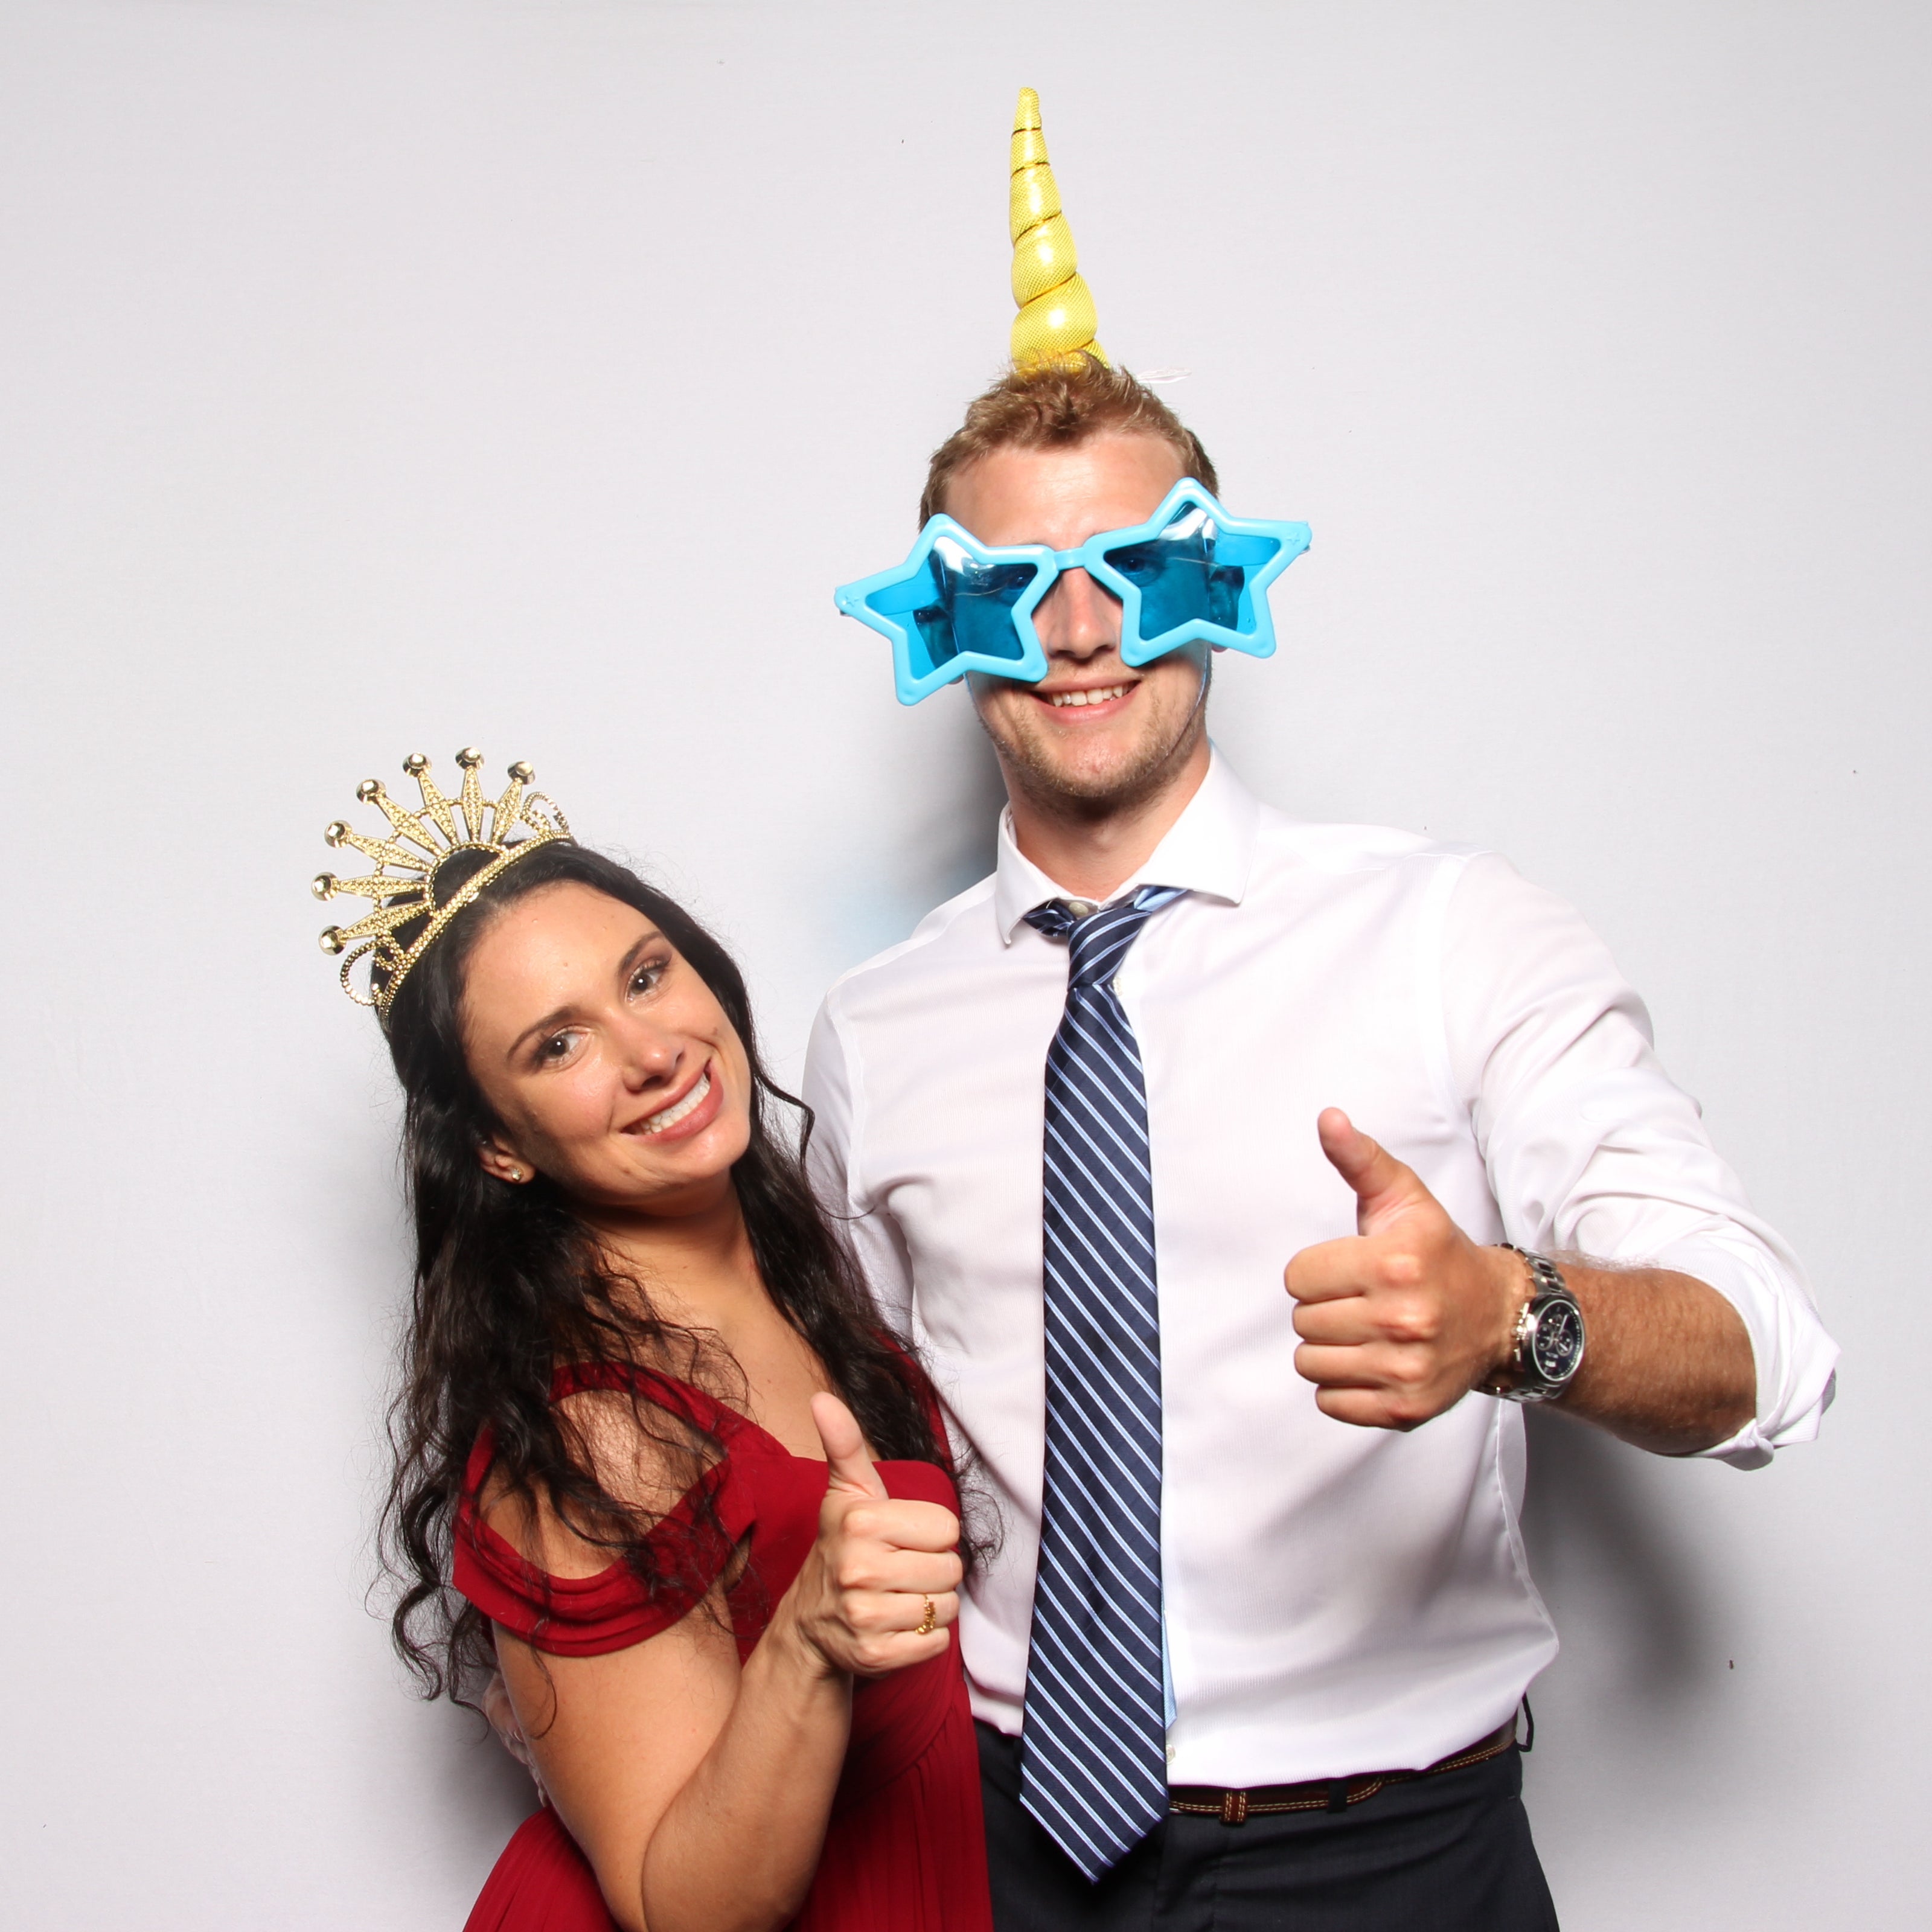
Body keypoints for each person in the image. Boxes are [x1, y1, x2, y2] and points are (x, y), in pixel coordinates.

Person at [805, 93, 1839, 1931]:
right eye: (1010, 589)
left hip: (1396, 1858)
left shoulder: (1455, 930)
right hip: (1007, 1838)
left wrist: (1516, 1317)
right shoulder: (873, 1032)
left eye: (1136, 566)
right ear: (939, 625)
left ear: (1218, 584)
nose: (1079, 632)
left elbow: (1768, 1353)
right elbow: (870, 1435)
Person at [311, 750, 993, 1932]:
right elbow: (680, 1910)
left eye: (643, 975)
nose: (653, 1049)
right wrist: (811, 1643)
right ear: (498, 1147)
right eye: (556, 1046)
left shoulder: (792, 1272)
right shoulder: (590, 1433)